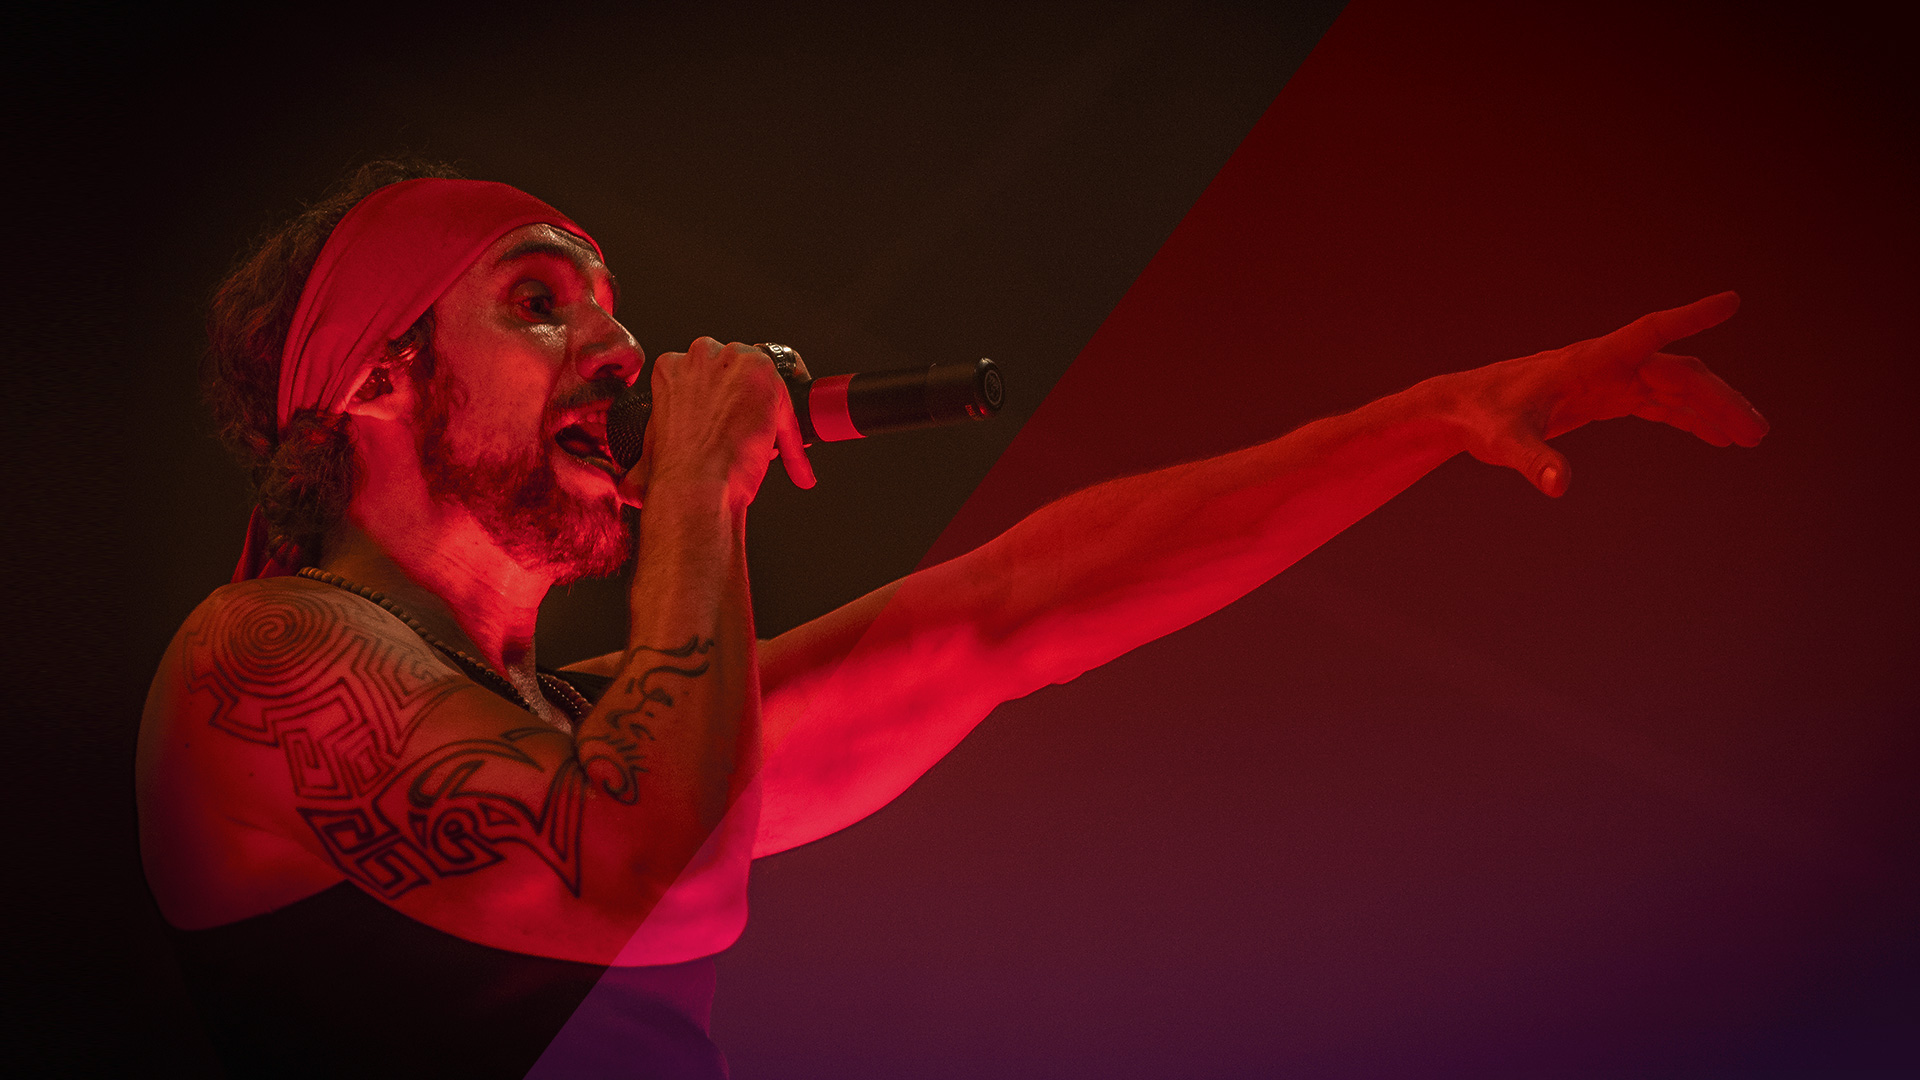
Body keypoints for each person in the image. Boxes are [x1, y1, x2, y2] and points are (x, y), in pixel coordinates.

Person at [137, 162, 1768, 1077]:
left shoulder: (585, 736)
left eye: (615, 312)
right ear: (374, 379)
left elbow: (1007, 611)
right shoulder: (258, 659)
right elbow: (643, 874)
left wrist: (1424, 418)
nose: (624, 353)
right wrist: (698, 492)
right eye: (541, 304)